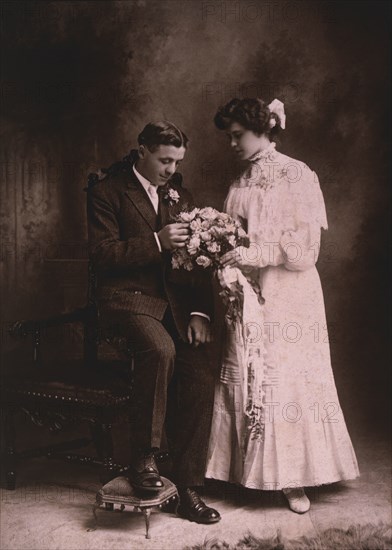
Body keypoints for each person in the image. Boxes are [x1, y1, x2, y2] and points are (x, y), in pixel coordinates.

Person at [205, 98, 359, 513]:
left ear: (263, 129)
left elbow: (306, 251)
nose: (232, 144)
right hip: (248, 296)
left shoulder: (297, 174)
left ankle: (292, 479)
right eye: (229, 137)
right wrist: (222, 252)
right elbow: (232, 236)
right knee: (248, 372)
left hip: (290, 295)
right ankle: (244, 473)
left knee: (285, 377)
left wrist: (255, 256)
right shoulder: (239, 182)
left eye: (238, 135)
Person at [87, 120, 220, 524]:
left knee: (199, 366)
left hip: (173, 306)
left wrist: (200, 312)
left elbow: (198, 260)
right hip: (124, 302)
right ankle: (143, 459)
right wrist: (158, 241)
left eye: (176, 161)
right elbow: (102, 256)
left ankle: (188, 485)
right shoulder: (107, 191)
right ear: (141, 149)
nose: (169, 170)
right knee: (160, 349)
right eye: (163, 160)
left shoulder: (181, 193)